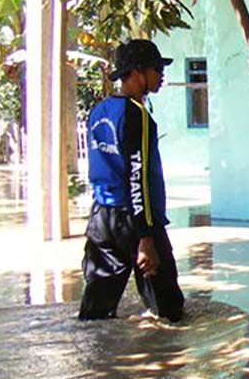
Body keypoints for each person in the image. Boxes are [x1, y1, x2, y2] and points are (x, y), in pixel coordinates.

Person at [78, 40, 185, 322]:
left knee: (95, 314)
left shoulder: (99, 111)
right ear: (138, 72)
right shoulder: (137, 116)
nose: (162, 75)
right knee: (169, 311)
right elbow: (137, 178)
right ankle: (166, 364)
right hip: (135, 221)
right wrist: (146, 239)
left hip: (101, 219)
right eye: (157, 69)